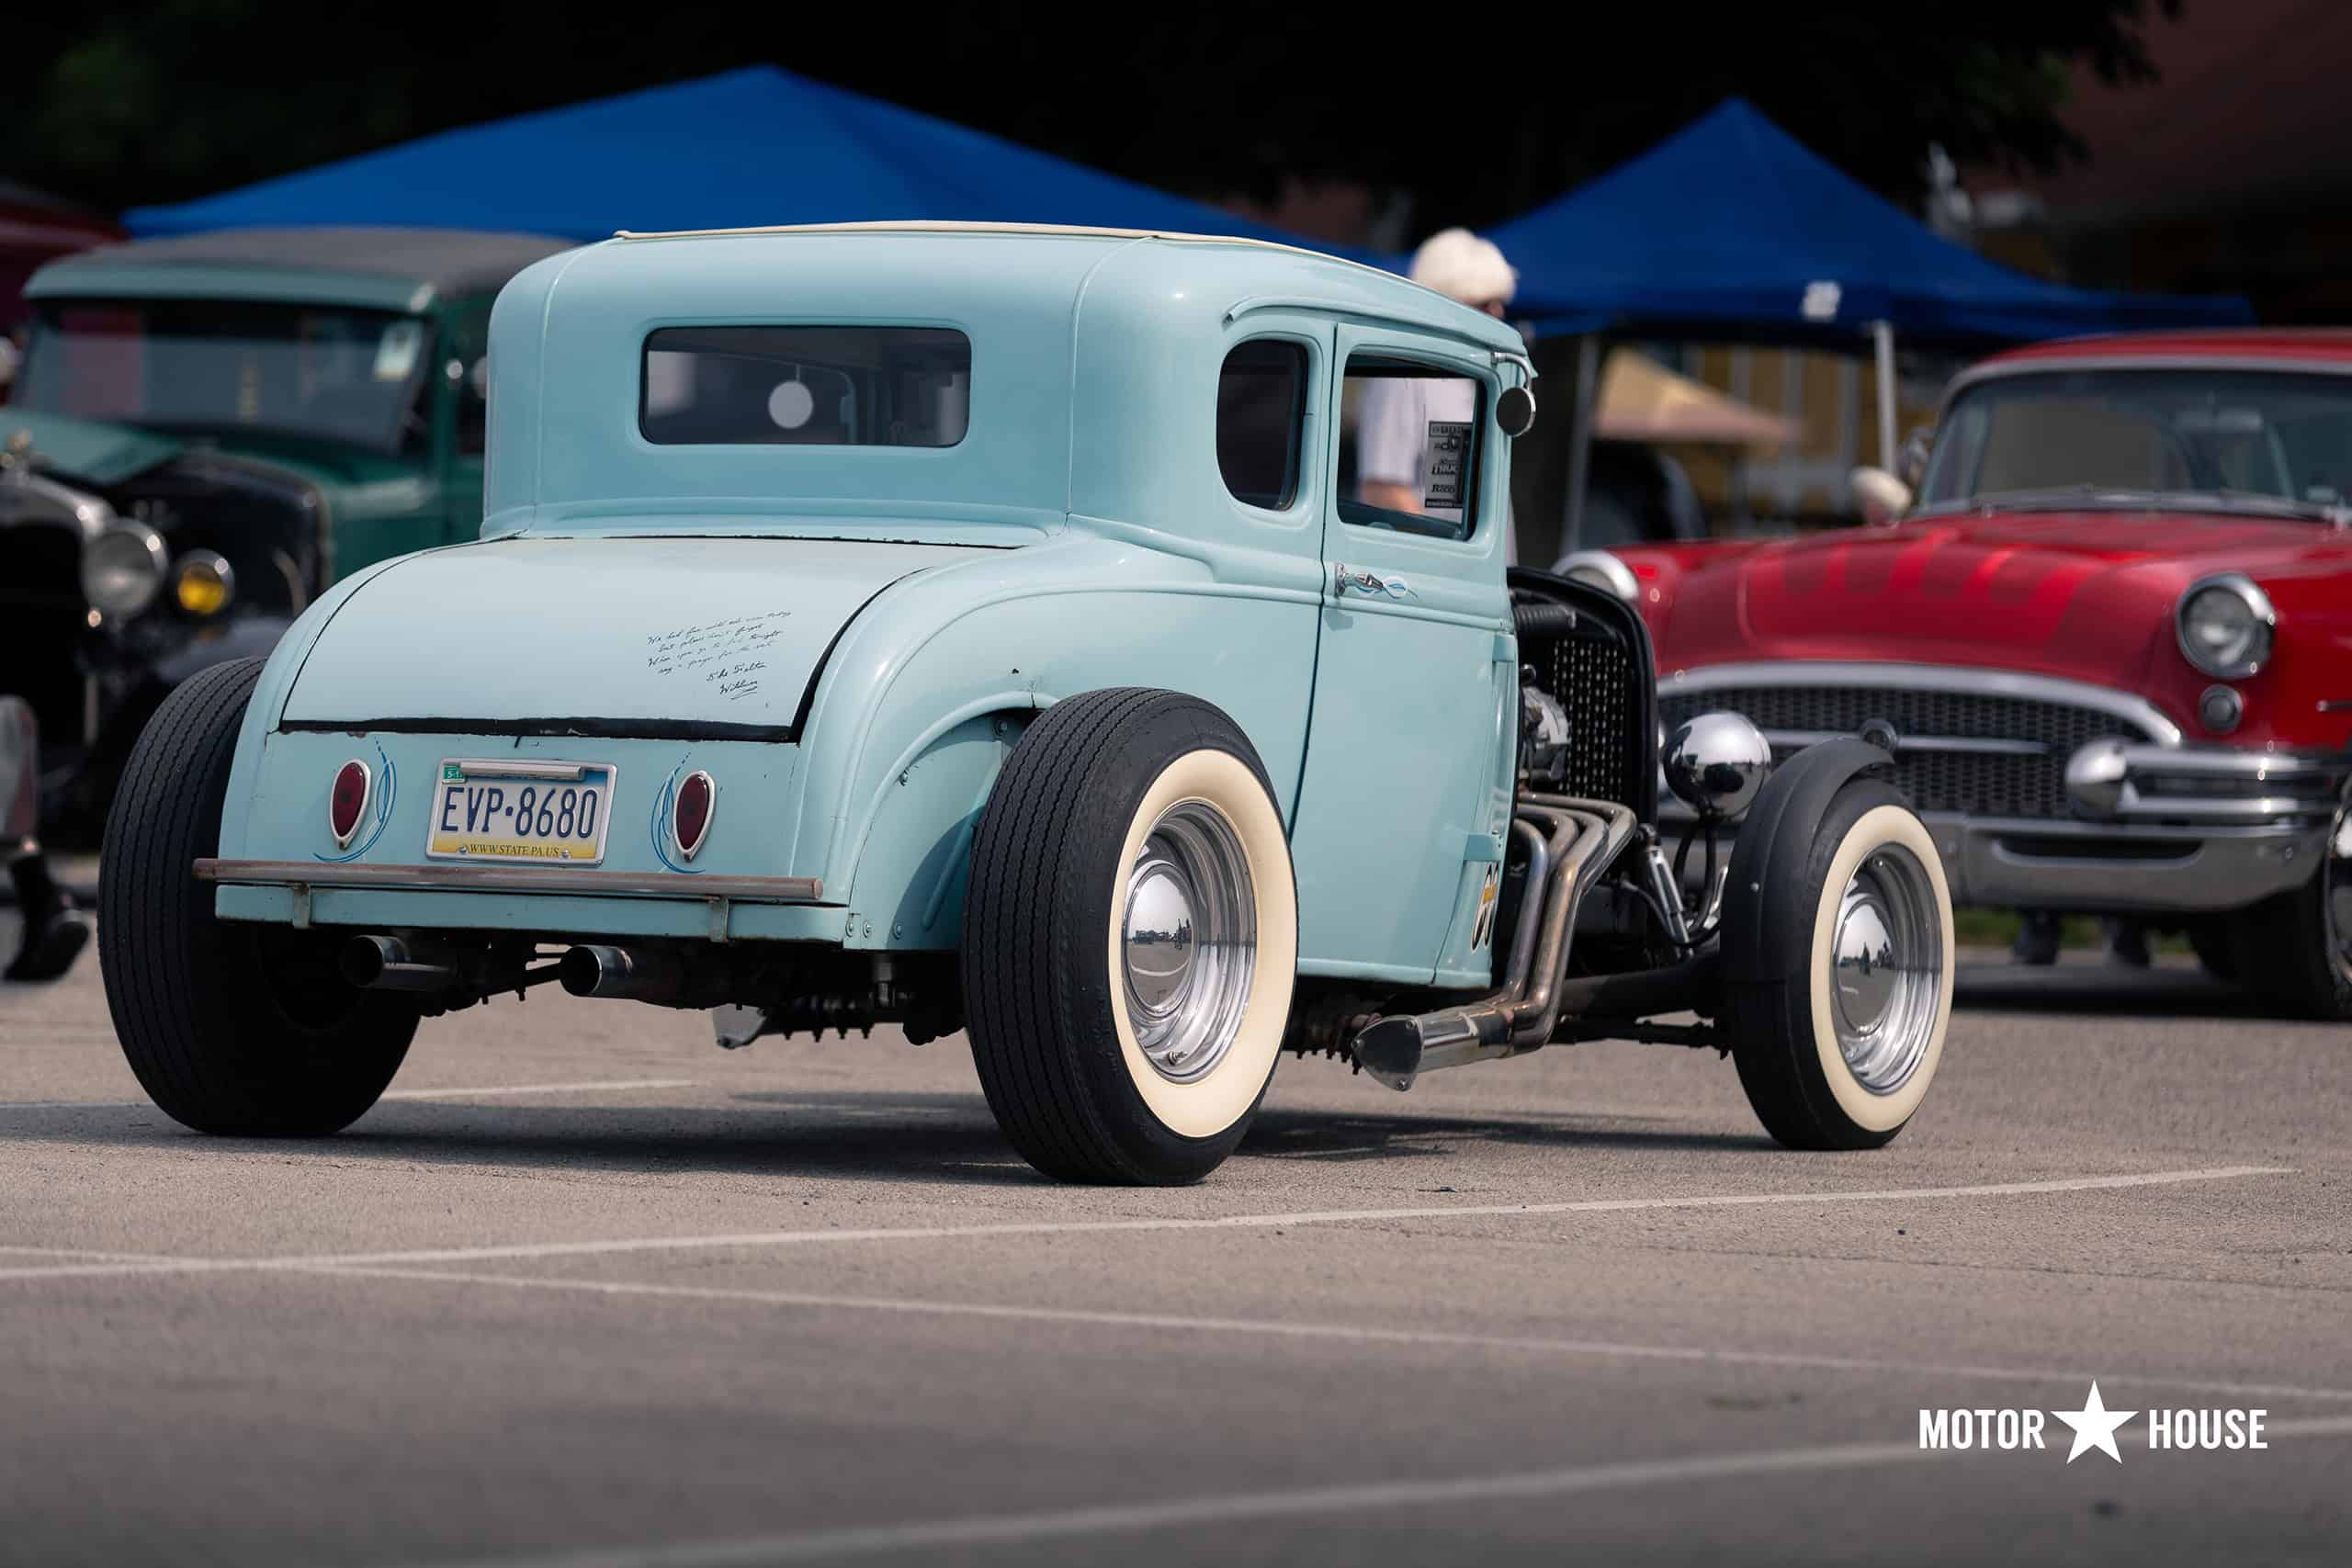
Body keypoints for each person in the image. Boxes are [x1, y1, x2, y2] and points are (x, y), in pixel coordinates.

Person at [1355, 229, 1520, 562]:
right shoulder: (1404, 374)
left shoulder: (1480, 379)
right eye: (1484, 304)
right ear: (1445, 303)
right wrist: (1453, 557)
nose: (1499, 314)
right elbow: (1382, 489)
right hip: (1431, 581)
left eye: (1500, 302)